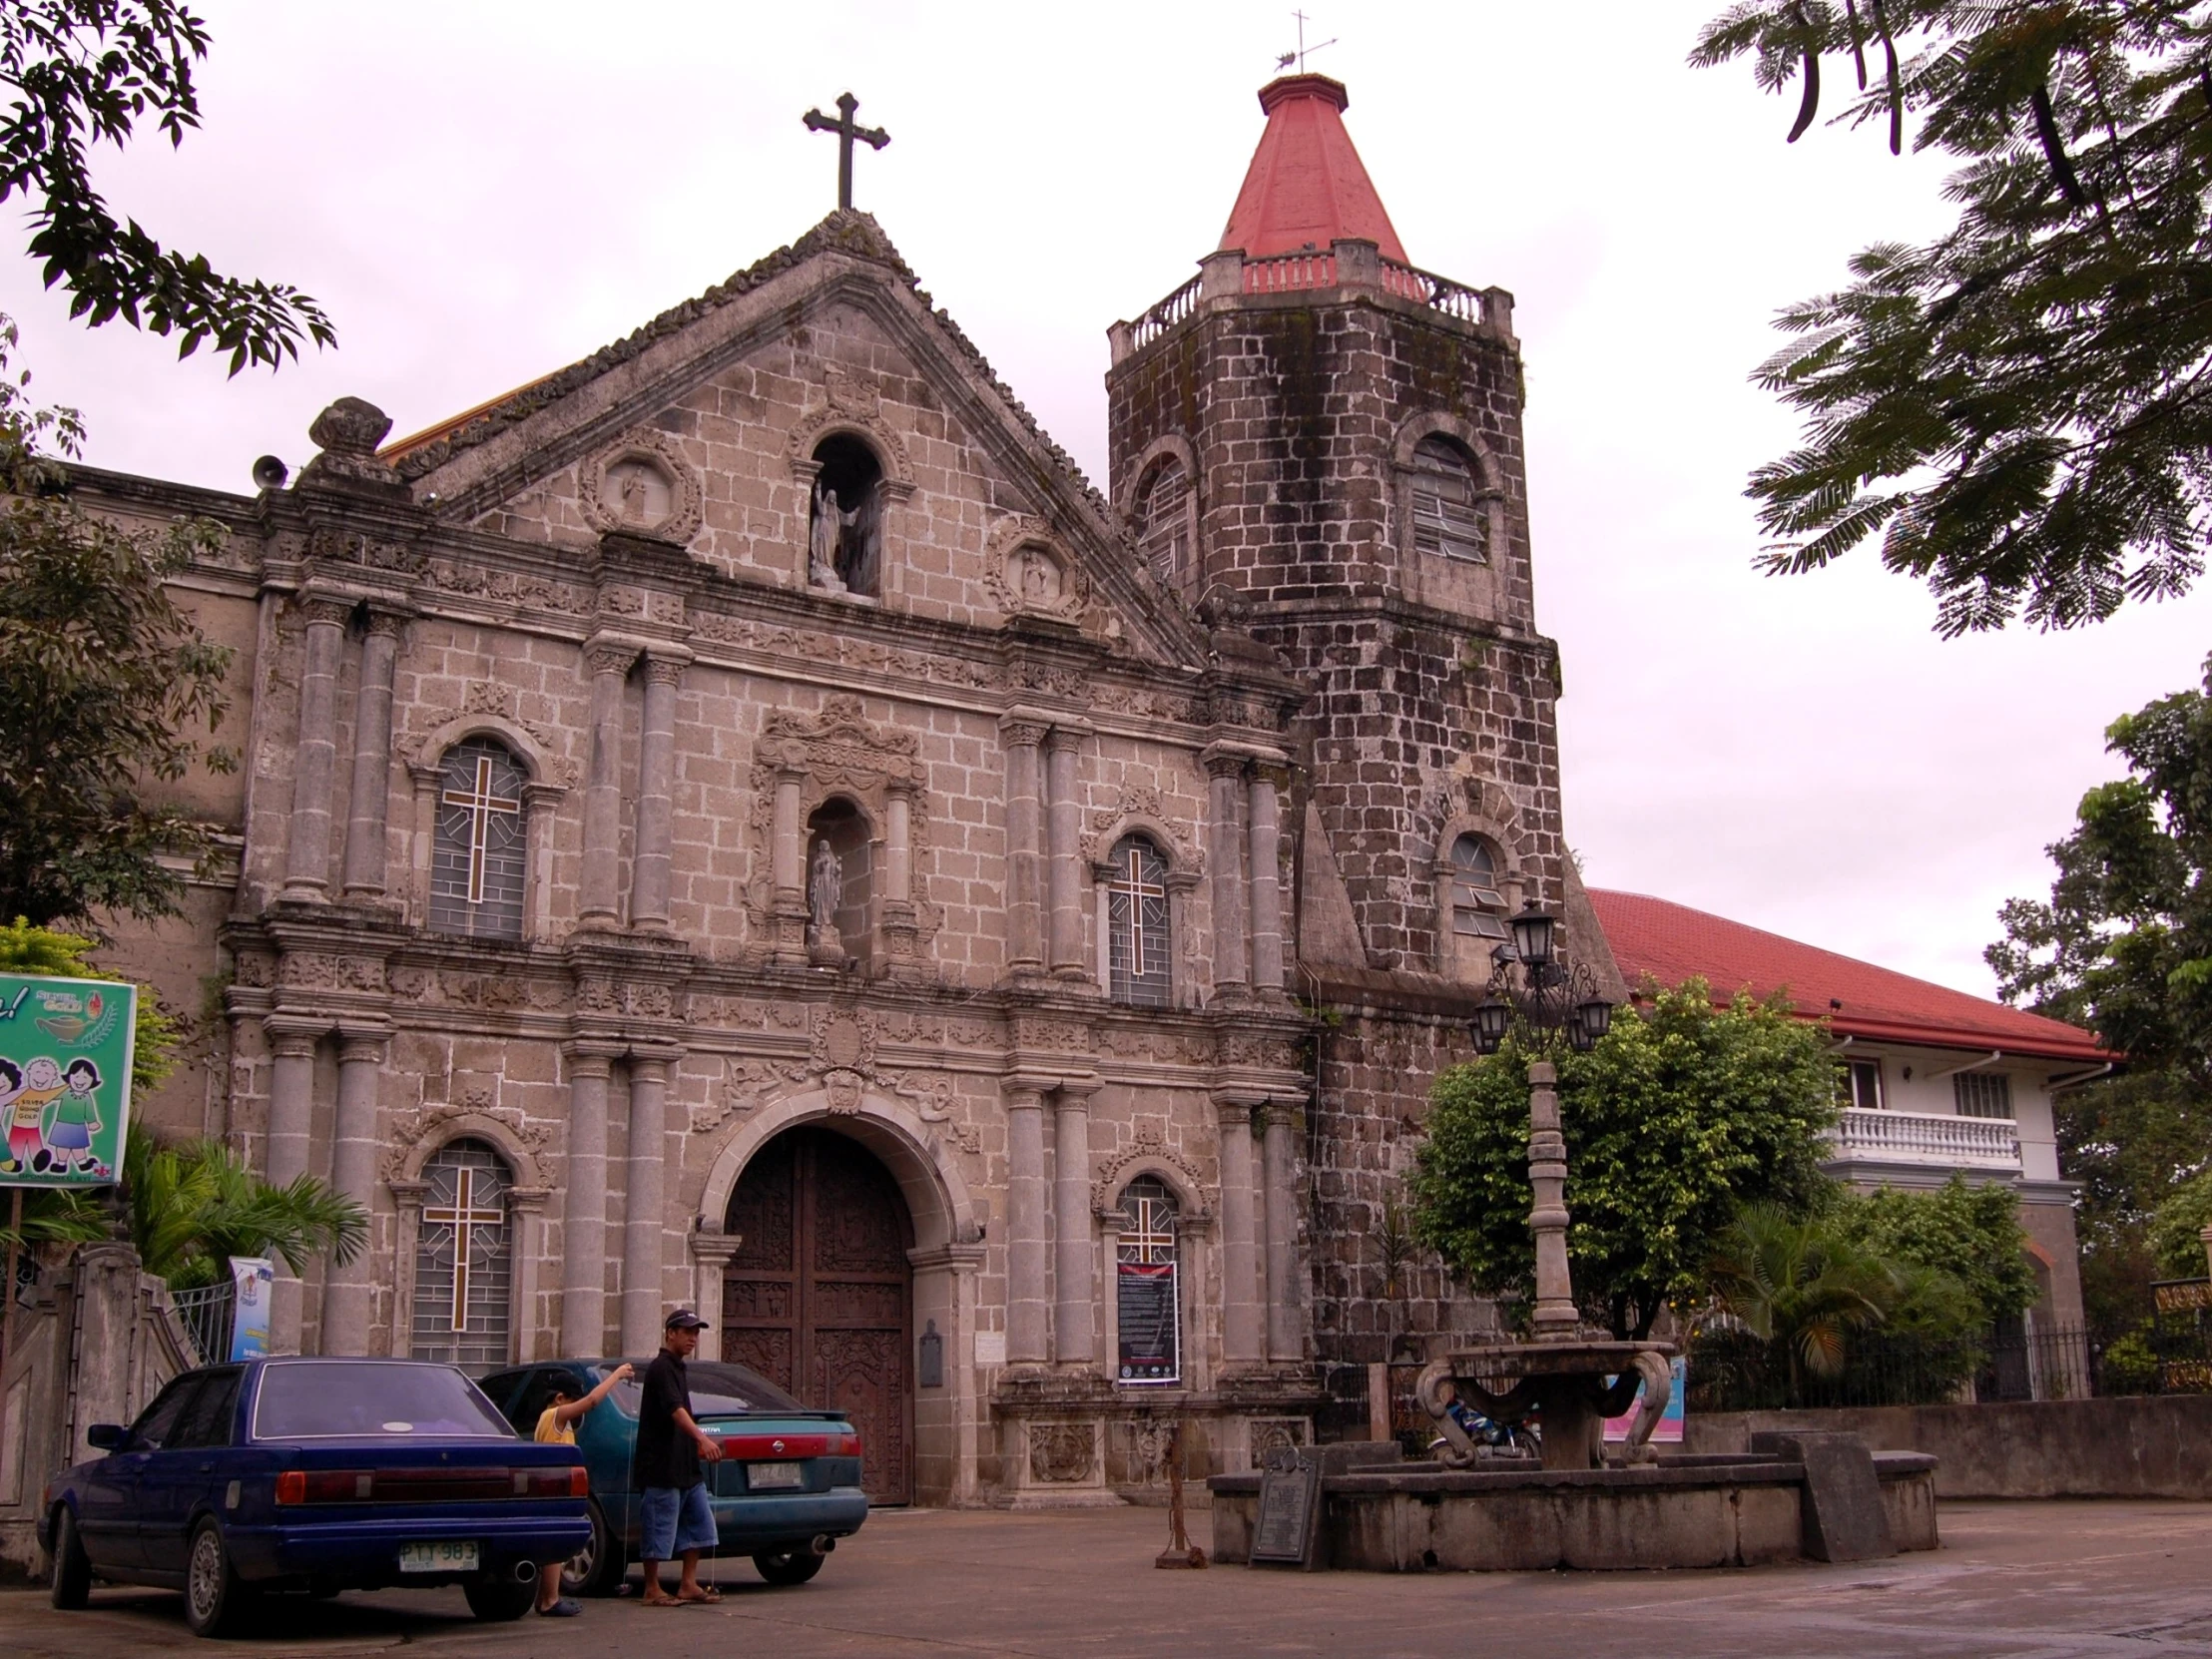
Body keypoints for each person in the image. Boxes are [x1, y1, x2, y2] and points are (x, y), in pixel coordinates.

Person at [635, 1310, 725, 1606]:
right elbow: (675, 1409)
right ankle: (652, 1588)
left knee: (699, 1525)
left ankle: (688, 1584)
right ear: (670, 1333)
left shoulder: (679, 1368)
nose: (692, 1338)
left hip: (686, 1464)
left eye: (696, 1333)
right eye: (687, 1332)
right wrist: (702, 1437)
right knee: (659, 1526)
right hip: (661, 1465)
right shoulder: (661, 1368)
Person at [530, 1362, 633, 1617]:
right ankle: (550, 1600)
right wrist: (616, 1376)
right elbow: (592, 1401)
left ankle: (546, 1598)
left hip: (557, 1490)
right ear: (559, 1398)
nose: (576, 1409)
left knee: (553, 1544)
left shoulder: (555, 1421)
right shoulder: (553, 1415)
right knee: (554, 1546)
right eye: (571, 1401)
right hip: (553, 1491)